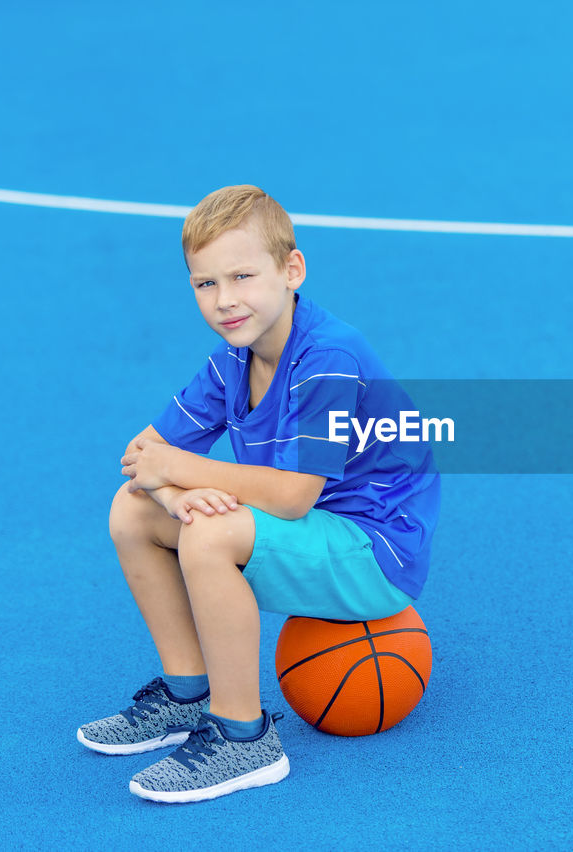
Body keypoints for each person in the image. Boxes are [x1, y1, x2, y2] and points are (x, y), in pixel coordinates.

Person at [75, 185, 440, 803]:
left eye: (242, 276)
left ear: (291, 269)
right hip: (308, 532)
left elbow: (296, 496)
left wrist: (185, 473)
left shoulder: (329, 356)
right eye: (205, 284)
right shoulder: (232, 361)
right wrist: (172, 495)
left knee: (211, 532)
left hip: (376, 550)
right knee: (131, 511)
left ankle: (245, 739)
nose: (225, 300)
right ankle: (188, 696)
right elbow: (141, 457)